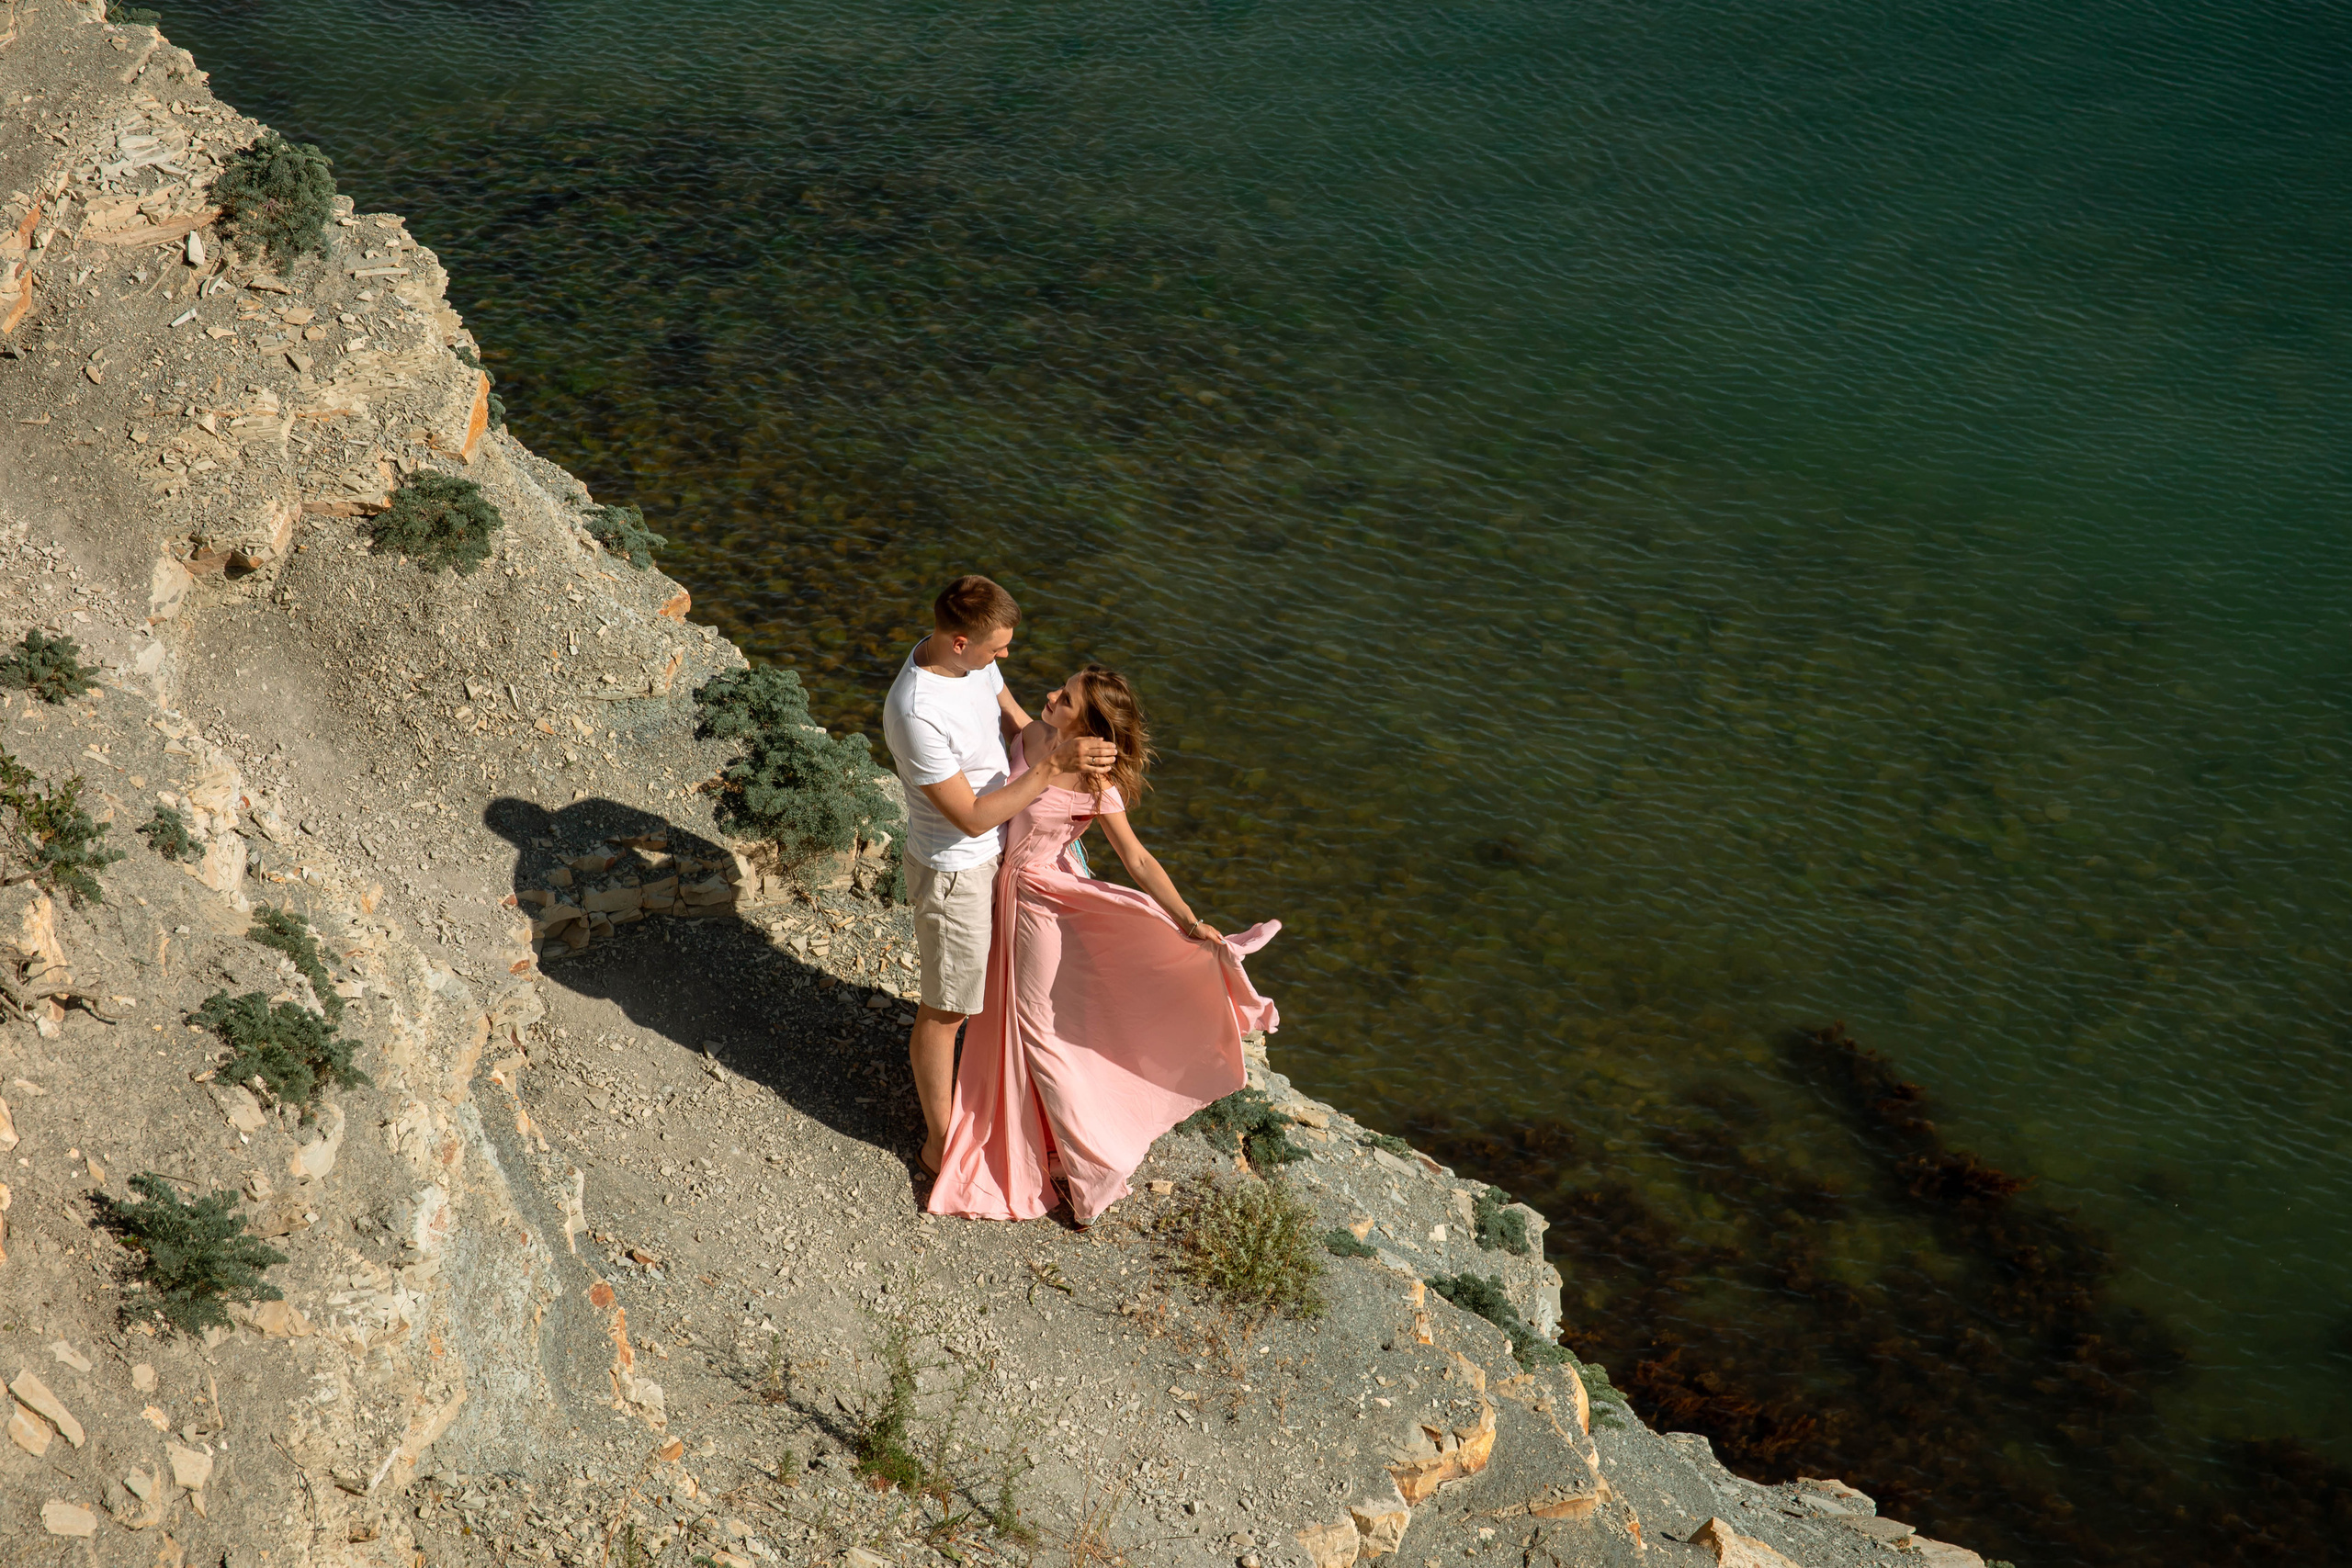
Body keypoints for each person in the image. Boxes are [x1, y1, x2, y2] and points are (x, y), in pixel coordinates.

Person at [926, 664, 1279, 1226]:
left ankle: (1093, 1164)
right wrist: (967, 650)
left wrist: (1190, 919)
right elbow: (1002, 698)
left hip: (1040, 903)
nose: (1050, 696)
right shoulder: (1038, 732)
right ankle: (1035, 1132)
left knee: (1036, 1027)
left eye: (1064, 698)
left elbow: (1137, 859)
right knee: (1006, 1018)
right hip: (1002, 885)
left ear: (1088, 726)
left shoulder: (1097, 786)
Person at [881, 576, 1115, 1179]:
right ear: (960, 640)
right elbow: (971, 815)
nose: (1006, 657)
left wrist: (1074, 760)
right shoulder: (917, 711)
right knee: (948, 1009)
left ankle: (1000, 1109)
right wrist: (1052, 771)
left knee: (1002, 996)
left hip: (1003, 858)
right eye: (997, 647)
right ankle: (940, 1144)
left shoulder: (969, 667)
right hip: (957, 872)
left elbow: (1015, 723)